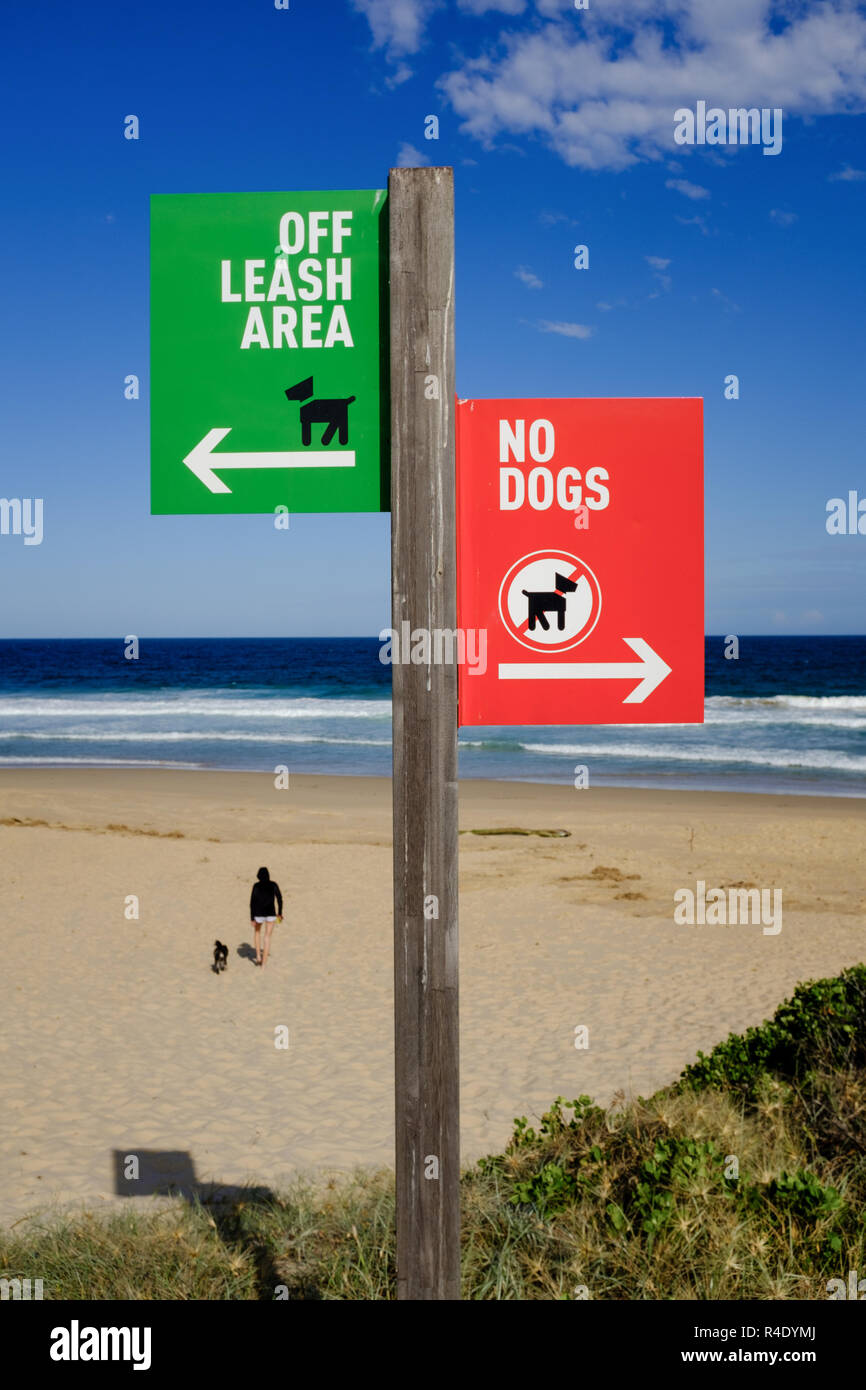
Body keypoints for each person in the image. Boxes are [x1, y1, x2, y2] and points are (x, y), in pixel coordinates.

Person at [250, 866, 283, 969]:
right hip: (270, 914)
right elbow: (280, 899)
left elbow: (252, 903)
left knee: (257, 933)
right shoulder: (273, 884)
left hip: (259, 914)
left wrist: (252, 918)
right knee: (267, 937)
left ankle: (258, 956)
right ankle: (263, 965)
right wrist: (280, 913)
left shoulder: (256, 886)